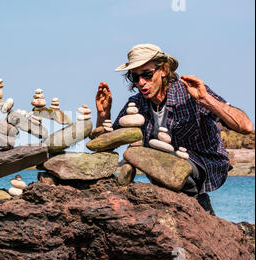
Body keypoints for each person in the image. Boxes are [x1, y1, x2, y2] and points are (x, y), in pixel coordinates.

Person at [95, 44, 254, 215]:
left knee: (174, 164)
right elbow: (108, 142)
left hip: (204, 163)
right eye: (135, 77)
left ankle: (200, 212)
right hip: (165, 173)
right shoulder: (137, 103)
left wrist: (205, 99)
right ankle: (189, 214)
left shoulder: (188, 93)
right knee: (160, 162)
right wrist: (104, 113)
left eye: (147, 74)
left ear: (163, 70)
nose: (141, 83)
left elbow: (245, 126)